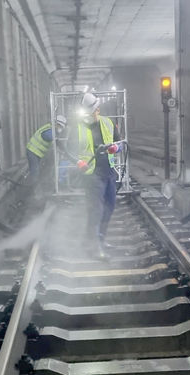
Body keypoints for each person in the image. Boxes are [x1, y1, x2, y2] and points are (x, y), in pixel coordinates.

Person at [73, 93, 123, 258]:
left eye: (91, 113)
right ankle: (94, 247)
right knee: (95, 210)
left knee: (109, 208)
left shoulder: (108, 123)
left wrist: (116, 149)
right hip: (91, 175)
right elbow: (67, 149)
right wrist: (78, 162)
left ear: (97, 110)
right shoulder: (77, 127)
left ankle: (100, 240)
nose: (88, 116)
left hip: (109, 173)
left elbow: (120, 143)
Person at [26, 115, 68, 181]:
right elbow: (52, 139)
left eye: (61, 127)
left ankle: (31, 184)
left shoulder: (52, 130)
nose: (60, 128)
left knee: (35, 170)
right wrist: (64, 149)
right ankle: (30, 188)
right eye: (59, 125)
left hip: (36, 153)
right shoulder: (49, 131)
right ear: (55, 123)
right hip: (32, 151)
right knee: (35, 171)